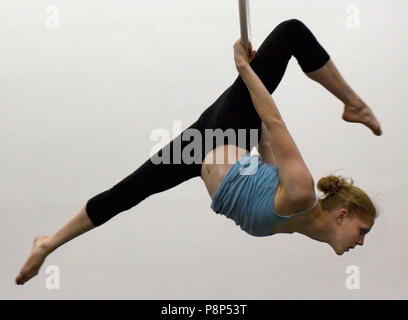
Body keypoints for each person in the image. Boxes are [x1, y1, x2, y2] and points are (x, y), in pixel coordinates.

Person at [15, 19, 381, 285]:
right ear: (343, 214)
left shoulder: (298, 222)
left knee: (126, 193)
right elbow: (274, 120)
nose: (361, 241)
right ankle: (354, 104)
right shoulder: (301, 191)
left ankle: (47, 243)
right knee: (291, 33)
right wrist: (244, 70)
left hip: (204, 144)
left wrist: (250, 79)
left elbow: (267, 146)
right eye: (362, 230)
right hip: (225, 133)